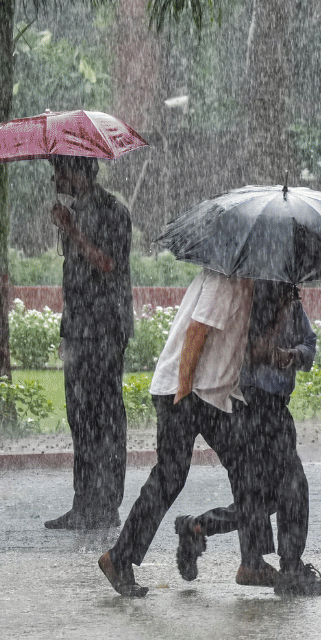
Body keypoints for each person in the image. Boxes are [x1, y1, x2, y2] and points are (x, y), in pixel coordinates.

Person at [172, 280, 321, 596]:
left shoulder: (290, 300)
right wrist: (263, 341)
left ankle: (198, 527)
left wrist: (291, 355)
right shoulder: (246, 299)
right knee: (288, 487)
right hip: (249, 406)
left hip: (277, 407)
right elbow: (239, 349)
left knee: (269, 495)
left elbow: (309, 344)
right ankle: (289, 569)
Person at [98, 268, 256, 597]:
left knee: (243, 471)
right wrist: (183, 390)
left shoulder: (241, 277)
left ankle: (240, 554)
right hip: (187, 393)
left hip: (210, 396)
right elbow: (196, 332)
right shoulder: (222, 278)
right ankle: (120, 557)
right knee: (175, 476)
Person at [44, 155, 134, 531]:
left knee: (106, 416)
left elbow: (108, 264)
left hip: (105, 328)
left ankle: (107, 504)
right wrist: (69, 227)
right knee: (79, 415)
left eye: (59, 169)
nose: (54, 178)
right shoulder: (77, 210)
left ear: (79, 171)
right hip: (79, 327)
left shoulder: (113, 211)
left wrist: (74, 231)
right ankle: (83, 504)